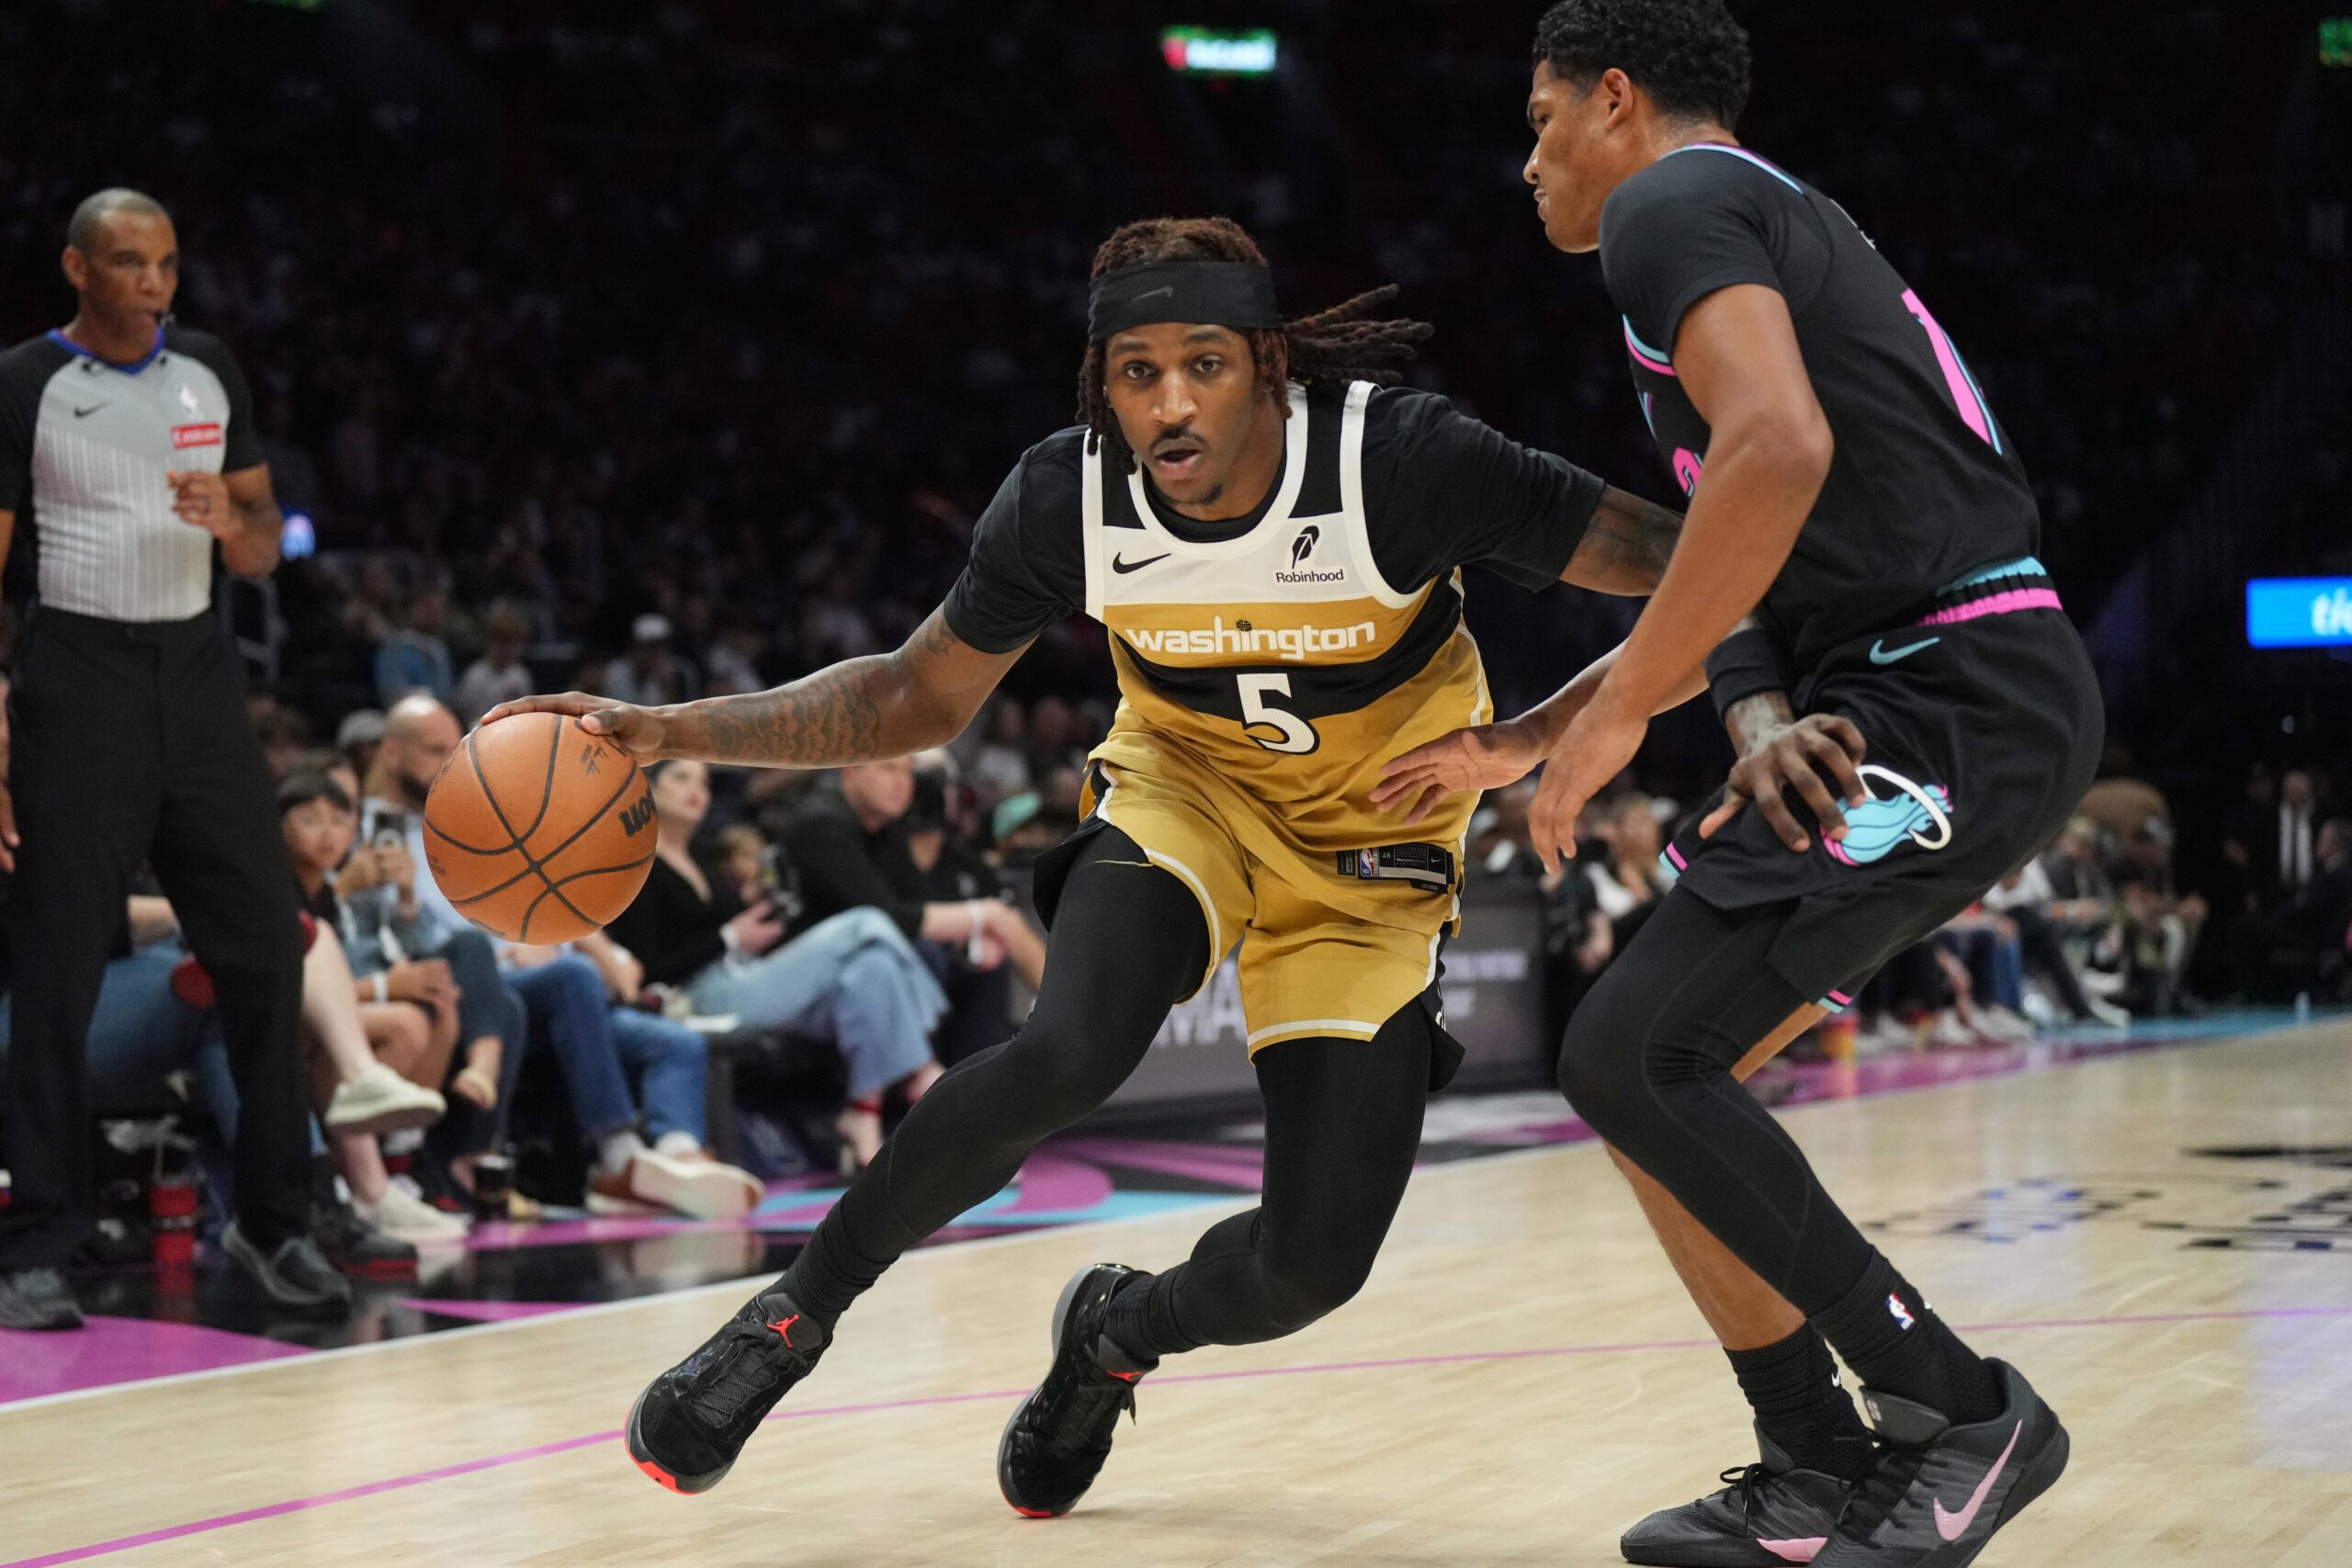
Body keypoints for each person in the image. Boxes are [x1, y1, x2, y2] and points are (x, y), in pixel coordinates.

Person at [490, 211, 1698, 1504]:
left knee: (1311, 1265)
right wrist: (669, 727)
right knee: (1072, 1042)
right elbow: (911, 696)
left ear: (1269, 366)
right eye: (1136, 371)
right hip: (1187, 797)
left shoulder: (1401, 463)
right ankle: (790, 1314)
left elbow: (1697, 565)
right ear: (1101, 383)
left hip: (1375, 845)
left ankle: (1115, 1334)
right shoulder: (1071, 496)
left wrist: (1540, 734)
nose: (1169, 402)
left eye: (1206, 364)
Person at [1385, 7, 2097, 1560]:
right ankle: (1814, 1456)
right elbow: (1746, 563)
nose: (1528, 164)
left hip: (1955, 688)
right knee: (1648, 1074)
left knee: (1637, 1053)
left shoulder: (1670, 202)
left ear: (1616, 101)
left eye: (1538, 120)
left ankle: (1962, 1409)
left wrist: (1623, 713)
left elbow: (1775, 447)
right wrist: (1546, 729)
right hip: (1910, 694)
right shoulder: (1742, 221)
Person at [0, 188, 348, 1326]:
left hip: (197, 684)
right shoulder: (24, 384)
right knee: (57, 974)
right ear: (77, 269)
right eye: (129, 263)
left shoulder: (207, 369)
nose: (153, 283)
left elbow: (260, 541)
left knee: (264, 952)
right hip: (74, 682)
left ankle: (274, 1221)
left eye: (166, 264)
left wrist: (230, 525)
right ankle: (40, 1239)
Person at [373, 696, 763, 1219]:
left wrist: (585, 943)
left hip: (550, 988)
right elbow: (409, 938)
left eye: (454, 748)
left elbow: (554, 902)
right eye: (435, 751)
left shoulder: (499, 815)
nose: (451, 760)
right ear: (392, 753)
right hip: (481, 989)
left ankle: (677, 1155)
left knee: (677, 1043)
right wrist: (515, 952)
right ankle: (617, 1156)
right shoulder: (384, 834)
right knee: (573, 978)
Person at [605, 759, 946, 1169]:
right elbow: (649, 966)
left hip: (743, 976)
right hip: (697, 997)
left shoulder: (702, 857)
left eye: (704, 780)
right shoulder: (635, 867)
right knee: (867, 923)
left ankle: (863, 1114)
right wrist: (728, 937)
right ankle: (922, 1062)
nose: (697, 789)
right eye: (681, 778)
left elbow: (726, 934)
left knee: (871, 971)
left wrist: (756, 920)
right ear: (650, 789)